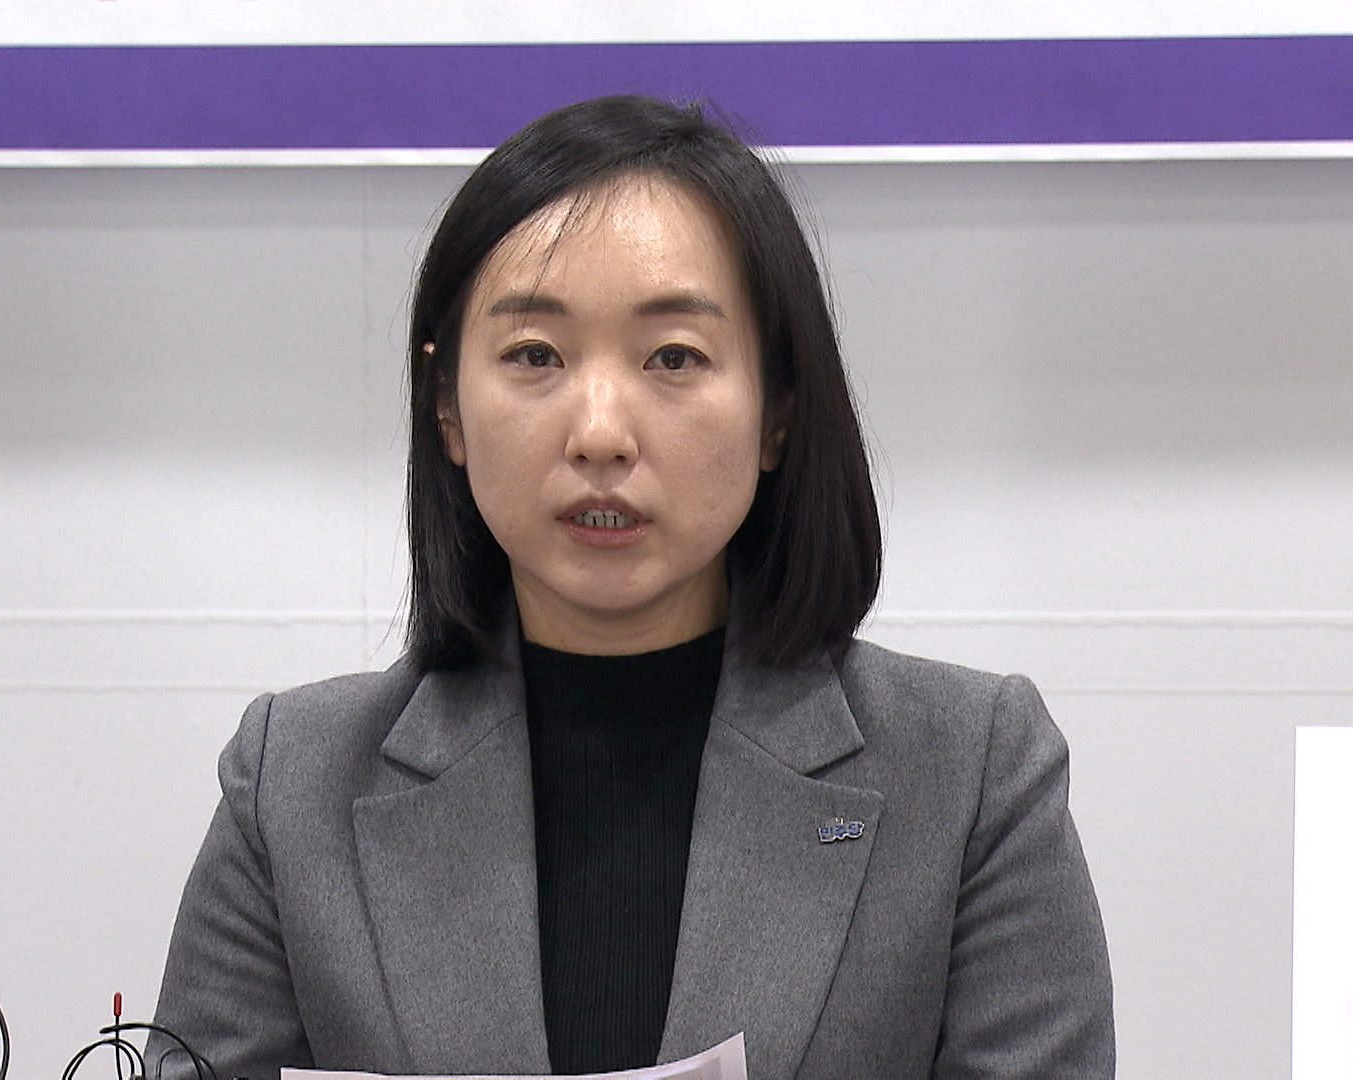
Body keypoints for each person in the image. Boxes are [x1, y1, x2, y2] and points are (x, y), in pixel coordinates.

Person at [147, 94, 1114, 1079]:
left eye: (673, 358)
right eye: (535, 356)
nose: (601, 433)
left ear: (779, 407)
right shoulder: (291, 785)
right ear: (446, 406)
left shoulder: (971, 773)